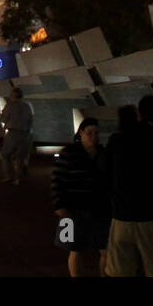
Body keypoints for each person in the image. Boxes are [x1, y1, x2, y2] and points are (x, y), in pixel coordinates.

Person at [104, 99, 153, 277]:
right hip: (151, 216)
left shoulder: (116, 141)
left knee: (119, 271)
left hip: (121, 215)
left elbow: (105, 174)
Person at [51, 117, 110, 276]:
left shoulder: (104, 154)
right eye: (89, 133)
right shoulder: (69, 153)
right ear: (81, 133)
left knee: (106, 249)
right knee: (74, 249)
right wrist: (60, 205)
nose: (93, 136)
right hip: (73, 209)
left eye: (96, 133)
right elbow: (57, 179)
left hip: (99, 209)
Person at [0, 87, 34, 184]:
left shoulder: (10, 106)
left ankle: (8, 176)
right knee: (20, 157)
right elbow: (31, 120)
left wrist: (2, 115)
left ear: (13, 96)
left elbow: (3, 119)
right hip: (24, 134)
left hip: (12, 133)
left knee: (5, 155)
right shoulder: (27, 106)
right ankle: (18, 178)